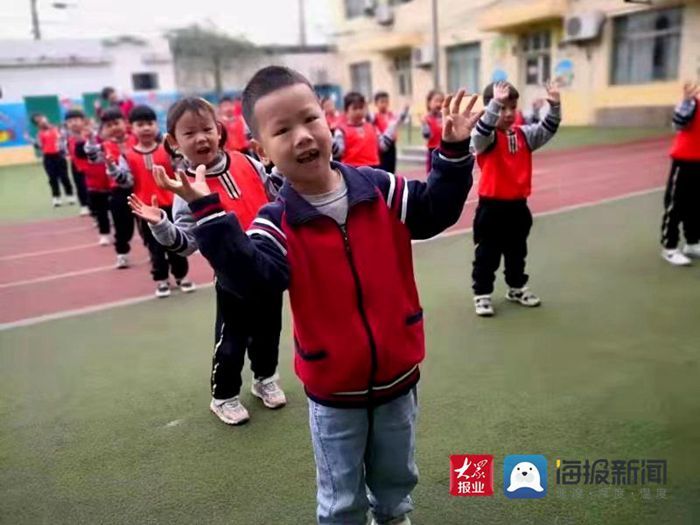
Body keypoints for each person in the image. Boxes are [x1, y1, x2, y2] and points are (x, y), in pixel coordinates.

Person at [159, 66, 479, 525]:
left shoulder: (380, 188)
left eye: (310, 120)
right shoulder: (276, 221)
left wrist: (450, 153)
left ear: (327, 120)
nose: (302, 137)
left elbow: (435, 211)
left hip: (398, 373)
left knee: (395, 475)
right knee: (340, 493)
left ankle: (393, 515)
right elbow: (253, 282)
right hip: (333, 390)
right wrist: (208, 212)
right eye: (282, 130)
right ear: (260, 149)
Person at [129, 97, 286, 425]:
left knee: (269, 330)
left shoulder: (246, 162)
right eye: (189, 133)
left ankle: (265, 378)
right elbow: (185, 245)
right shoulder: (184, 189)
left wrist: (276, 169)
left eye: (207, 129)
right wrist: (160, 224)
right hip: (231, 277)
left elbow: (275, 196)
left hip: (268, 264)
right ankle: (224, 395)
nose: (201, 138)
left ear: (219, 130)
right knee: (232, 339)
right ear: (174, 142)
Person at [469, 80, 561, 317]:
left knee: (517, 251)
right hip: (491, 208)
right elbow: (479, 136)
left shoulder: (524, 135)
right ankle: (482, 293)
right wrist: (493, 107)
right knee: (487, 254)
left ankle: (516, 287)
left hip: (518, 207)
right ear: (490, 109)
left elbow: (548, 128)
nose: (508, 113)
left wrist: (555, 107)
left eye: (512, 107)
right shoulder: (486, 139)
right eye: (502, 108)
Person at [113, 104, 195, 296]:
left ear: (156, 125)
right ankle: (161, 279)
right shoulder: (127, 155)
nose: (146, 128)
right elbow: (126, 181)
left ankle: (181, 276)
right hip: (145, 209)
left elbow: (182, 168)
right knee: (154, 246)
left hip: (170, 204)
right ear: (131, 127)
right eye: (140, 124)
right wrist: (114, 170)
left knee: (176, 243)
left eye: (150, 123)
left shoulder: (167, 151)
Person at [84, 107, 136, 268]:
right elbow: (92, 158)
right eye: (109, 125)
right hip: (118, 190)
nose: (114, 127)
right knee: (122, 225)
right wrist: (92, 139)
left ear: (125, 123)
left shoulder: (137, 138)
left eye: (116, 123)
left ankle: (154, 251)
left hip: (140, 187)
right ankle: (122, 253)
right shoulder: (104, 146)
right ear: (104, 129)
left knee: (148, 225)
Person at [660, 81, 700, 266]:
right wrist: (685, 101)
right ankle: (670, 247)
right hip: (685, 161)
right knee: (676, 205)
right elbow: (678, 123)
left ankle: (692, 243)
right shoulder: (692, 103)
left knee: (695, 206)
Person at [332, 92, 400, 168]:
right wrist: (330, 142)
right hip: (352, 169)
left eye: (361, 108)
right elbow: (339, 151)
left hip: (373, 168)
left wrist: (391, 129)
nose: (358, 112)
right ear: (346, 111)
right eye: (354, 108)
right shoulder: (341, 130)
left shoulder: (373, 128)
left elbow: (382, 146)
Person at [29, 113, 75, 207]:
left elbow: (65, 136)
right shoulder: (40, 134)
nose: (41, 122)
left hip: (59, 156)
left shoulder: (57, 128)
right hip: (48, 158)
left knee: (64, 177)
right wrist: (33, 142)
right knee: (52, 179)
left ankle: (70, 195)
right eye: (38, 121)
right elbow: (40, 146)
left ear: (46, 119)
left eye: (42, 119)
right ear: (37, 125)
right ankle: (56, 198)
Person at [370, 91, 409, 174]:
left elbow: (400, 119)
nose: (384, 104)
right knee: (383, 168)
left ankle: (391, 181)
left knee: (391, 167)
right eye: (382, 102)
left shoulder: (391, 115)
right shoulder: (375, 116)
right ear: (376, 103)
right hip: (381, 146)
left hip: (391, 145)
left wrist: (405, 110)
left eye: (386, 102)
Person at [63, 109, 91, 216]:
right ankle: (84, 205)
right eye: (70, 121)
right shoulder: (69, 139)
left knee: (93, 187)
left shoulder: (89, 135)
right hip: (76, 167)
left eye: (76, 120)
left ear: (83, 121)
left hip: (91, 167)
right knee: (80, 186)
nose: (73, 123)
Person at [421, 89, 445, 173]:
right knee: (432, 173)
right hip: (433, 150)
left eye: (441, 101)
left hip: (445, 150)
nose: (439, 104)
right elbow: (426, 135)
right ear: (429, 103)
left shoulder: (444, 117)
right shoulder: (426, 118)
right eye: (436, 101)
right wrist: (425, 125)